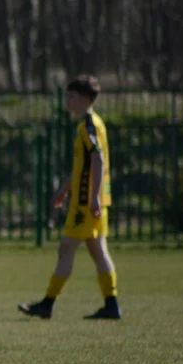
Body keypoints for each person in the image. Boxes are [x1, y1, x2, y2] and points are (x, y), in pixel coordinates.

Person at [19, 75, 121, 320]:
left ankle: (47, 304)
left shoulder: (89, 125)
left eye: (72, 96)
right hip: (94, 198)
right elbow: (83, 165)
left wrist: (92, 197)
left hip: (86, 201)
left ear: (86, 99)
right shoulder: (92, 123)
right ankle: (111, 304)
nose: (68, 100)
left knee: (66, 248)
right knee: (98, 251)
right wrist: (65, 190)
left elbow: (97, 160)